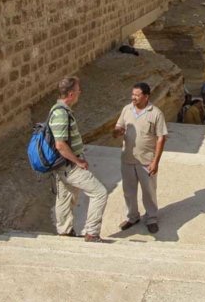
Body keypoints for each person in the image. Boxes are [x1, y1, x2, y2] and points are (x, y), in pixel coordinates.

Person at [50, 76, 110, 242]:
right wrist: (78, 161)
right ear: (70, 94)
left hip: (63, 165)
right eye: (77, 90)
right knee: (99, 193)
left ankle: (64, 232)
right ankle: (92, 233)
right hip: (70, 166)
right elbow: (60, 145)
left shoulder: (59, 110)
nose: (80, 92)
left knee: (65, 198)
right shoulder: (61, 114)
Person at [113, 82, 169, 234]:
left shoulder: (155, 113)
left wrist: (155, 162)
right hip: (128, 159)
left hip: (146, 160)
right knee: (128, 191)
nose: (134, 98)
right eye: (132, 94)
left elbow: (161, 138)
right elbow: (117, 128)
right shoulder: (127, 109)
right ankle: (132, 217)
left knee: (149, 192)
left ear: (146, 96)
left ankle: (151, 218)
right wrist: (117, 132)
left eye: (137, 95)